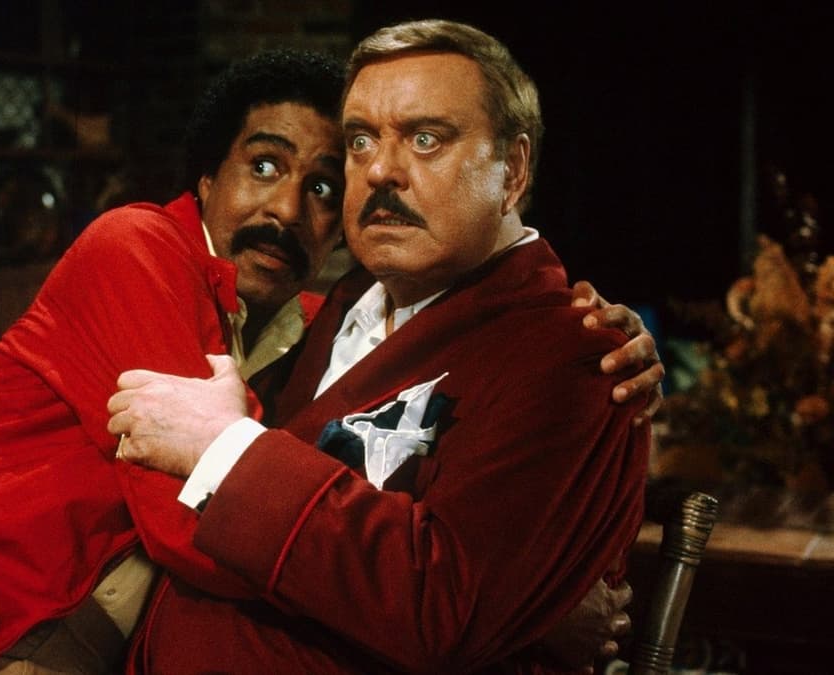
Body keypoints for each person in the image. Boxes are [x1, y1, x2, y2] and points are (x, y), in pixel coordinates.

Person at [0, 49, 657, 675]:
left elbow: (355, 478)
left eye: (322, 185)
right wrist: (514, 620)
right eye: (263, 166)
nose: (287, 209)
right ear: (204, 181)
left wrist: (518, 585)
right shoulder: (135, 249)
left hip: (51, 644)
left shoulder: (318, 333)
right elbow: (192, 525)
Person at [107, 19, 653, 673]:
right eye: (361, 140)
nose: (380, 171)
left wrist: (225, 449)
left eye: (426, 139)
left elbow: (444, 606)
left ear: (512, 171)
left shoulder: (573, 354)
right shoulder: (338, 307)